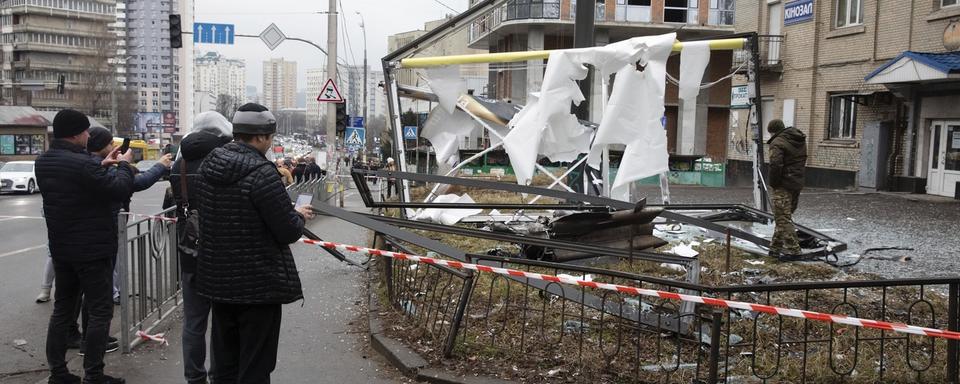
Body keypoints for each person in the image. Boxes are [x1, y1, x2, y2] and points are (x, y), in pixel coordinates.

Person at [195, 103, 315, 383]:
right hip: (258, 288)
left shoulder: (208, 167)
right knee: (255, 366)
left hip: (218, 283)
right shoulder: (263, 174)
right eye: (270, 137)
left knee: (224, 364)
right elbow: (287, 232)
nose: (272, 143)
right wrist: (297, 216)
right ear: (260, 137)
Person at [36, 109, 134, 384]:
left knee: (62, 310)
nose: (89, 136)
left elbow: (77, 183)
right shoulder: (83, 164)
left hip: (62, 250)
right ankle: (94, 373)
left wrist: (101, 166)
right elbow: (119, 189)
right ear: (77, 134)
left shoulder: (44, 161)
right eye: (86, 132)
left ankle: (58, 373)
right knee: (101, 311)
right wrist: (124, 165)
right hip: (92, 251)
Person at [167, 111, 233, 384]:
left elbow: (171, 206)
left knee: (193, 322)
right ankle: (219, 375)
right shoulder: (226, 162)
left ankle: (194, 377)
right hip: (222, 253)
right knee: (221, 321)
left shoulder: (179, 165)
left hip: (190, 251)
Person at [87, 127, 173, 304]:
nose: (113, 146)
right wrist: (159, 165)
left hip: (95, 230)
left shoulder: (93, 163)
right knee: (100, 289)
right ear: (100, 145)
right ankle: (108, 301)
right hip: (104, 230)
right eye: (110, 143)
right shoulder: (100, 167)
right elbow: (135, 183)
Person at [766, 119, 808, 261]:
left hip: (783, 184)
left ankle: (794, 251)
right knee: (783, 217)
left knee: (783, 218)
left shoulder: (777, 142)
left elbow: (775, 165)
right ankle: (775, 249)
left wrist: (774, 183)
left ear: (772, 131)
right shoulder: (798, 140)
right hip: (796, 183)